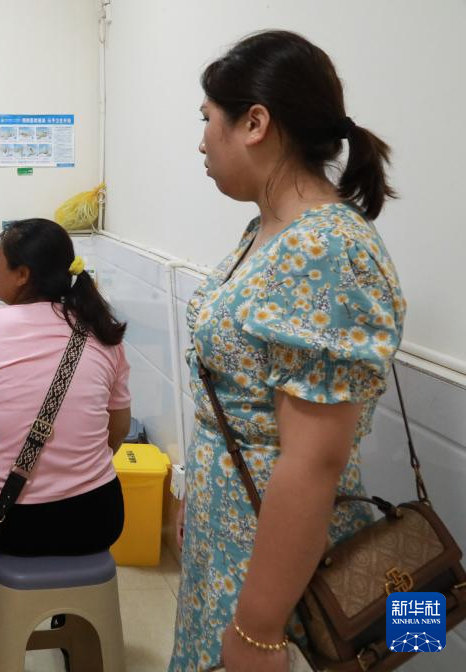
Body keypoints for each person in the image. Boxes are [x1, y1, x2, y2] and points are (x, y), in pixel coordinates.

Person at [170, 30, 405, 671]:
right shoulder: (268, 229)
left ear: (255, 123)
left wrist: (258, 631)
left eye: (207, 119)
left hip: (276, 573)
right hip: (233, 535)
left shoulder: (326, 248)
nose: (201, 141)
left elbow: (314, 462)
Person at [0, 218, 131, 652]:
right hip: (98, 517)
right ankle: (74, 619)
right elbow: (118, 428)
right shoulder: (101, 331)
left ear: (22, 274)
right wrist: (81, 465)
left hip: (9, 524)